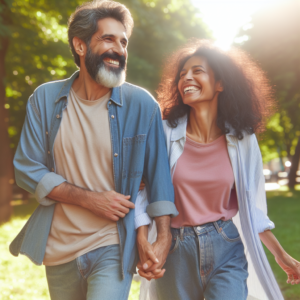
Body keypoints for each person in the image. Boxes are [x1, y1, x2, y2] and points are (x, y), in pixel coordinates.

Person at [9, 1, 178, 299]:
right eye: (108, 39)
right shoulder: (45, 99)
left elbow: (159, 179)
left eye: (123, 42)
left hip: (112, 245)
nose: (119, 49)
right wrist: (90, 200)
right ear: (80, 45)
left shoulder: (142, 106)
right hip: (59, 249)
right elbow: (27, 168)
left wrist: (163, 236)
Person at [135, 40, 300, 300]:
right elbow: (143, 193)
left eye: (197, 71)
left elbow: (251, 207)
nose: (186, 77)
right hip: (175, 250)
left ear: (220, 83)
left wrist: (282, 255)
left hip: (226, 246)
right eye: (182, 74)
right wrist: (144, 242)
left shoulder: (243, 139)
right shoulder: (164, 132)